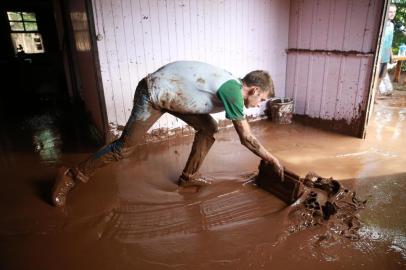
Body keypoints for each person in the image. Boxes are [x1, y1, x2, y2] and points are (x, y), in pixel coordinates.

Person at [52, 61, 284, 207]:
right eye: (261, 100)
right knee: (124, 148)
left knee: (208, 128)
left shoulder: (231, 82)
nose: (258, 105)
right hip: (152, 94)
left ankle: (188, 177)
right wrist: (271, 159)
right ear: (254, 89)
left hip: (172, 96)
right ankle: (71, 176)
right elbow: (246, 138)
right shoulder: (233, 91)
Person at [378, 4, 406, 96]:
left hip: (385, 56)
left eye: (394, 12)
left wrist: (391, 55)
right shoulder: (381, 24)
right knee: (375, 77)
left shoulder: (392, 25)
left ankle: (378, 95)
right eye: (390, 11)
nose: (392, 14)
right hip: (378, 57)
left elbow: (388, 42)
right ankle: (374, 97)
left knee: (380, 77)